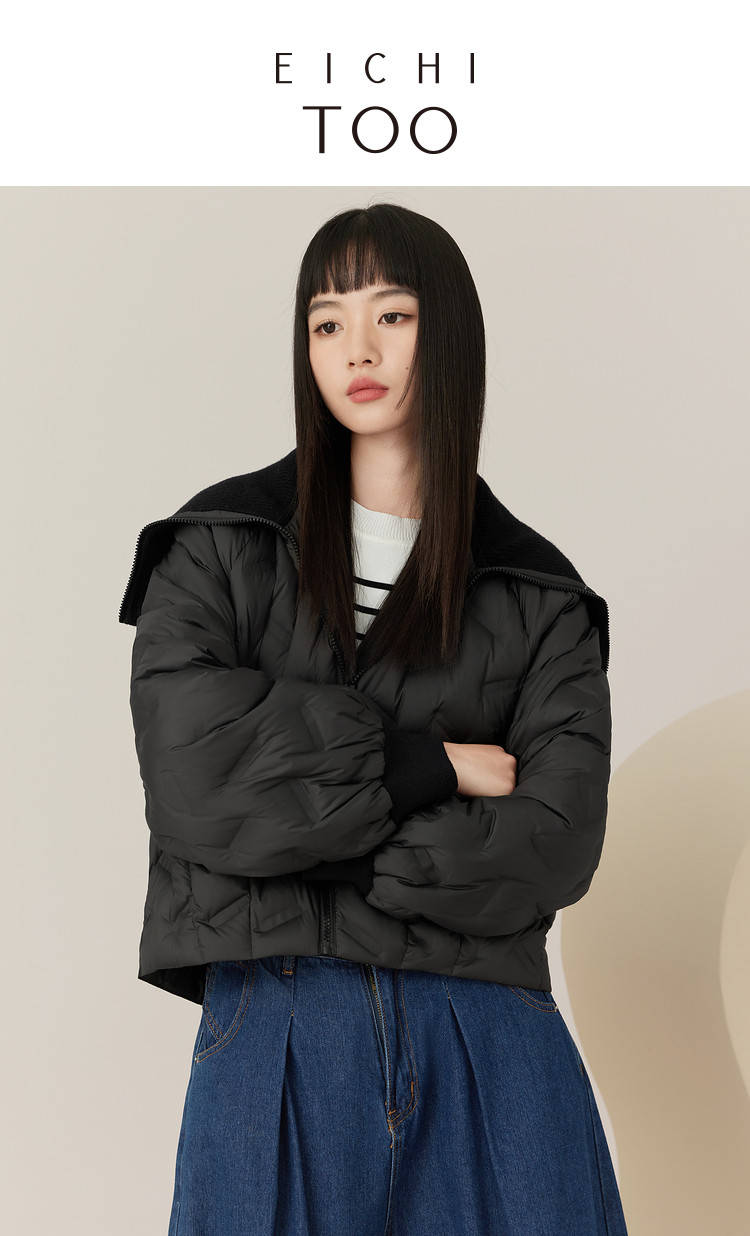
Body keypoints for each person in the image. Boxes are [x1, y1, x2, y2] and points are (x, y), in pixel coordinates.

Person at [120, 202, 628, 1235]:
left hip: (492, 1035)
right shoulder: (218, 546)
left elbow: (556, 842)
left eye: (391, 316)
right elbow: (189, 770)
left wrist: (302, 844)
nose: (357, 349)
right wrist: (433, 767)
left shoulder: (541, 595)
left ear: (449, 335)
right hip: (282, 1025)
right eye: (327, 322)